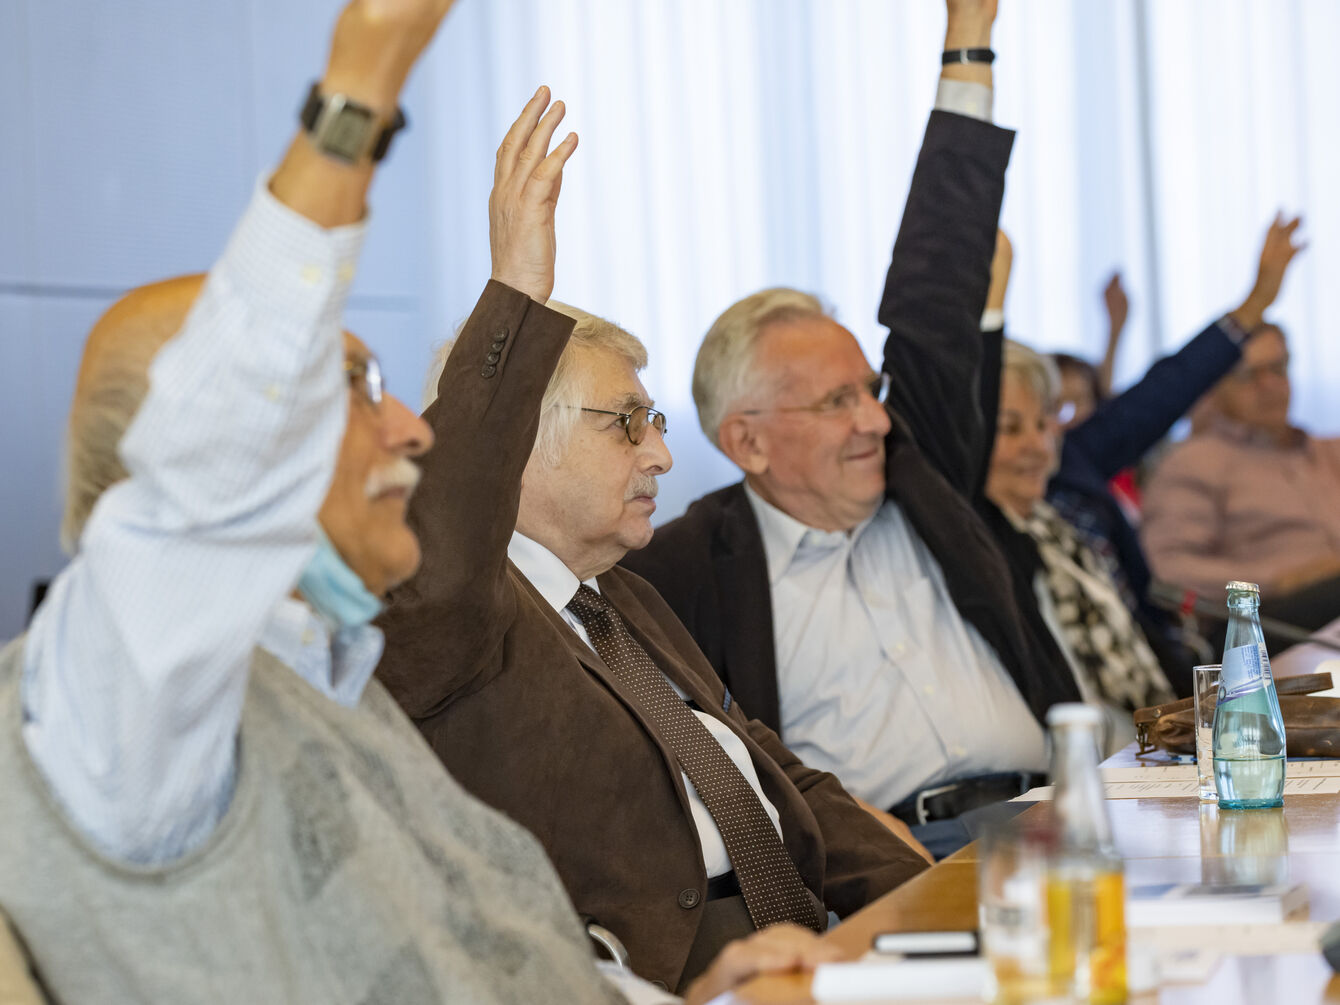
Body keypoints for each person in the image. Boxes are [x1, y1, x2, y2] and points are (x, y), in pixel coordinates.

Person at [0, 4, 838, 1002]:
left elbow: (481, 956)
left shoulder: (325, 680)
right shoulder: (124, 705)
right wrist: (359, 88)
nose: (407, 425)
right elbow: (223, 423)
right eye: (348, 385)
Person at [376, 80, 929, 993]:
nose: (666, 454)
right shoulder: (455, 615)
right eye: (626, 422)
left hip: (807, 948)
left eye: (657, 419)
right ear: (522, 447)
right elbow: (441, 537)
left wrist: (953, 898)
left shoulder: (623, 598)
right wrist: (515, 294)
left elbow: (774, 777)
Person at [622, 0, 1080, 861]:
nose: (876, 418)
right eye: (835, 402)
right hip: (892, 860)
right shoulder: (684, 569)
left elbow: (937, 285)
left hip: (1059, 819)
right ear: (746, 441)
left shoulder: (921, 473)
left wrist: (968, 46)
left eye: (868, 389)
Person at [991, 216, 1304, 701]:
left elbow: (1163, 392)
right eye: (1011, 428)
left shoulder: (1069, 459)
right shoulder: (969, 518)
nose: (1038, 444)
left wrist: (1254, 305)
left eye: (1045, 420)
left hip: (1155, 685)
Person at [1142, 313, 1340, 631]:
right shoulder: (1195, 462)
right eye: (1249, 375)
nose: (1270, 385)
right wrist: (1279, 580)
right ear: (1215, 388)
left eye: (1278, 369)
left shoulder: (1329, 451)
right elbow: (1169, 571)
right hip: (1265, 621)